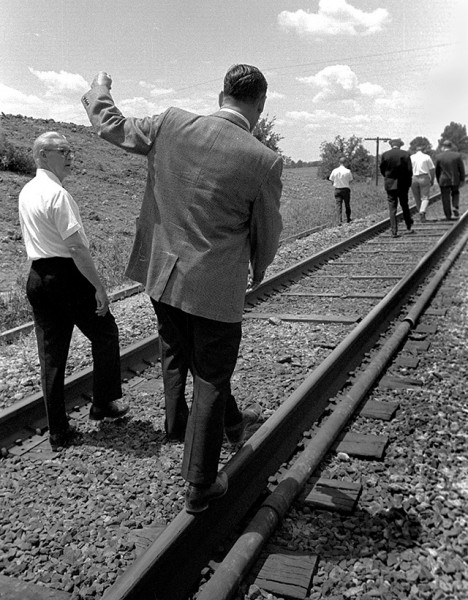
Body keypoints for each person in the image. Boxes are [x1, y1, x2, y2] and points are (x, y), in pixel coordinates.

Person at [82, 65, 283, 513]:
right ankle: (200, 484)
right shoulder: (263, 160)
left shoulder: (172, 123)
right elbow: (266, 232)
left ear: (221, 95)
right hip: (215, 288)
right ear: (261, 103)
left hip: (162, 278)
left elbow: (111, 125)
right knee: (211, 375)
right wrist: (260, 268)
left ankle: (229, 427)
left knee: (190, 357)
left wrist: (100, 90)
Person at [18, 132, 129, 451]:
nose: (70, 156)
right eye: (62, 151)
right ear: (42, 156)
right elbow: (77, 248)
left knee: (51, 356)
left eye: (70, 150)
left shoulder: (27, 191)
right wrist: (99, 287)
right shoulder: (58, 194)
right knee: (105, 332)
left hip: (38, 277)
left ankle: (58, 432)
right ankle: (103, 403)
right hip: (67, 275)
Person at [380, 138, 414, 237]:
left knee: (392, 207)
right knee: (404, 205)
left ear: (391, 145)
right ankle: (408, 226)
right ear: (400, 145)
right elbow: (409, 170)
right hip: (403, 182)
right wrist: (408, 181)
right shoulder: (405, 154)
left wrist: (388, 177)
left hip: (390, 182)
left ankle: (394, 231)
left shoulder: (385, 154)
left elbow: (382, 169)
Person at [435, 140, 465, 220]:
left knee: (445, 197)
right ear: (451, 146)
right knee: (455, 193)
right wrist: (462, 179)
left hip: (443, 180)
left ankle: (448, 215)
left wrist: (438, 180)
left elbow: (437, 171)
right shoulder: (457, 155)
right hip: (455, 179)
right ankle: (455, 206)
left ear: (443, 147)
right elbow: (461, 169)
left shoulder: (439, 157)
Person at [410, 144, 435, 223]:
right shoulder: (427, 157)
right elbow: (432, 169)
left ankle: (421, 216)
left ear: (416, 150)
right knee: (425, 197)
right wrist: (432, 179)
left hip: (413, 178)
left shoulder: (411, 157)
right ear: (423, 150)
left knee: (417, 198)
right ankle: (422, 211)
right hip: (424, 177)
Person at [329, 157, 353, 225]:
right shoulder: (348, 171)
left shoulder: (334, 170)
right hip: (346, 189)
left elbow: (331, 179)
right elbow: (351, 180)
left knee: (338, 205)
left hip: (337, 189)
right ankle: (348, 219)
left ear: (339, 162)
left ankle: (339, 220)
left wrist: (335, 184)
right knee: (347, 204)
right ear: (345, 163)